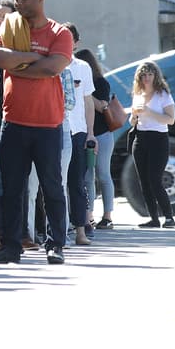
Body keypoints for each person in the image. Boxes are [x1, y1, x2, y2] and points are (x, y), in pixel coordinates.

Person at [0, 0, 73, 264]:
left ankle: (55, 244)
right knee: (11, 188)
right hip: (13, 121)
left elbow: (52, 68)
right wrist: (31, 58)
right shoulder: (10, 27)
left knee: (52, 187)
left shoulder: (59, 33)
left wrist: (18, 64)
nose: (20, 3)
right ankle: (11, 246)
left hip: (48, 124)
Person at [131, 60, 175, 228]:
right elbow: (133, 121)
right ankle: (153, 218)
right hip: (141, 138)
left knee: (155, 179)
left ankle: (169, 216)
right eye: (143, 75)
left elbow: (170, 119)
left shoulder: (163, 95)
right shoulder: (138, 94)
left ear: (155, 75)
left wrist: (148, 112)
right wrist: (134, 116)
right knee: (143, 180)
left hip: (158, 138)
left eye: (150, 74)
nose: (147, 78)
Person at [62, 23, 96, 246]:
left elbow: (87, 101)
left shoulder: (83, 67)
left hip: (78, 130)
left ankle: (81, 230)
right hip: (56, 128)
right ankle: (58, 229)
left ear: (75, 42)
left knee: (77, 182)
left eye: (69, 39)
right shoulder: (51, 64)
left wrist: (91, 133)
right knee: (56, 182)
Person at [76, 48, 116, 229]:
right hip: (85, 134)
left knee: (103, 174)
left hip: (103, 134)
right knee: (87, 177)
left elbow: (102, 106)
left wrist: (86, 92)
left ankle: (107, 216)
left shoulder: (101, 83)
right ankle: (89, 215)